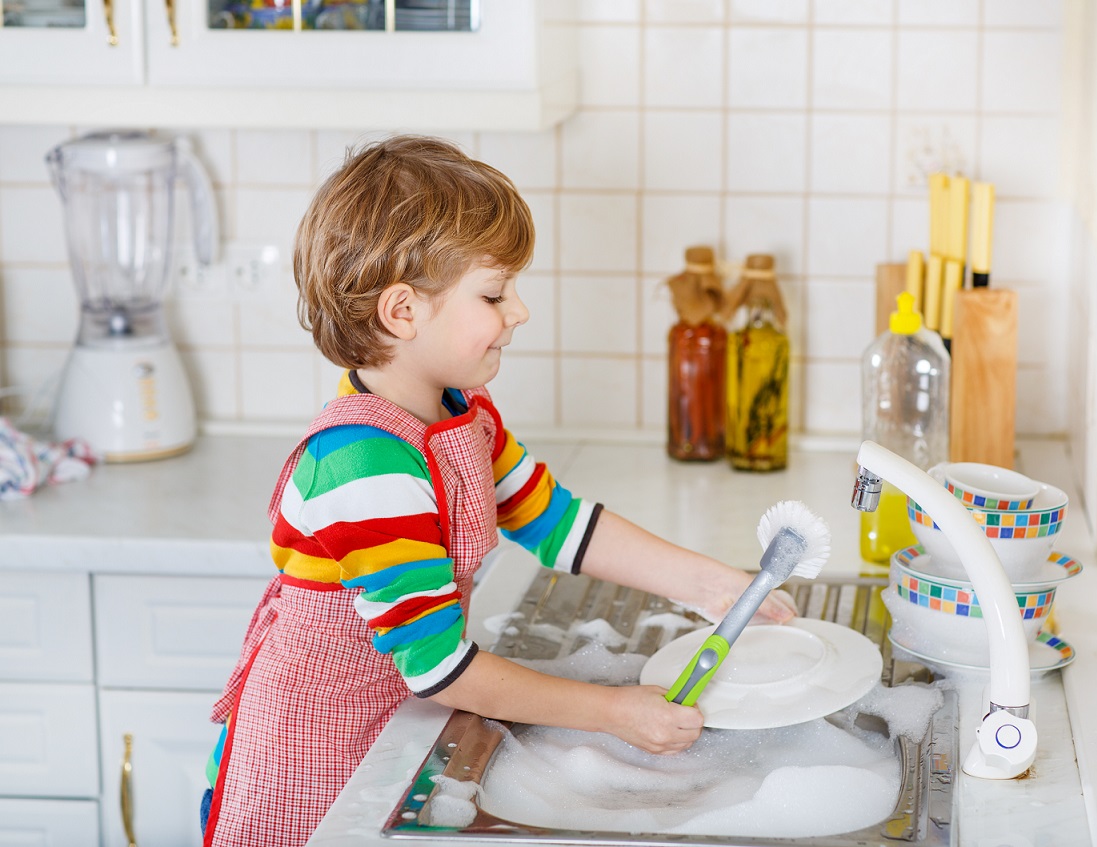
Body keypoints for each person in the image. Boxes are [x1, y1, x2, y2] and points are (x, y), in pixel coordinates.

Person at [199, 135, 797, 847]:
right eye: (494, 292)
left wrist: (717, 584)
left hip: (391, 725)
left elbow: (556, 521)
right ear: (402, 312)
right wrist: (615, 711)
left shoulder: (460, 414)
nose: (519, 310)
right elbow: (443, 669)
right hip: (313, 766)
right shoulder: (365, 466)